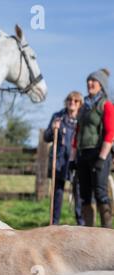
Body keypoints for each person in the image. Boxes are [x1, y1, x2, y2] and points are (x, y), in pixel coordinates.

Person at [74, 68, 114, 228]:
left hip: (99, 154)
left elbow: (111, 132)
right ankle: (89, 232)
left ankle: (108, 234)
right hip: (83, 154)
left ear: (101, 85)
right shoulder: (83, 107)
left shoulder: (106, 105)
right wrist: (73, 158)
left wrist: (102, 158)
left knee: (100, 193)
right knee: (84, 195)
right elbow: (78, 133)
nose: (89, 83)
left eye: (93, 81)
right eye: (88, 81)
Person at [44, 91, 84, 225]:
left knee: (79, 193)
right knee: (58, 193)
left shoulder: (83, 118)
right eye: (69, 100)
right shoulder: (58, 117)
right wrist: (53, 128)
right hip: (60, 161)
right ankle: (54, 224)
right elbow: (46, 137)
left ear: (80, 104)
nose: (72, 102)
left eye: (75, 100)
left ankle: (81, 223)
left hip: (76, 161)